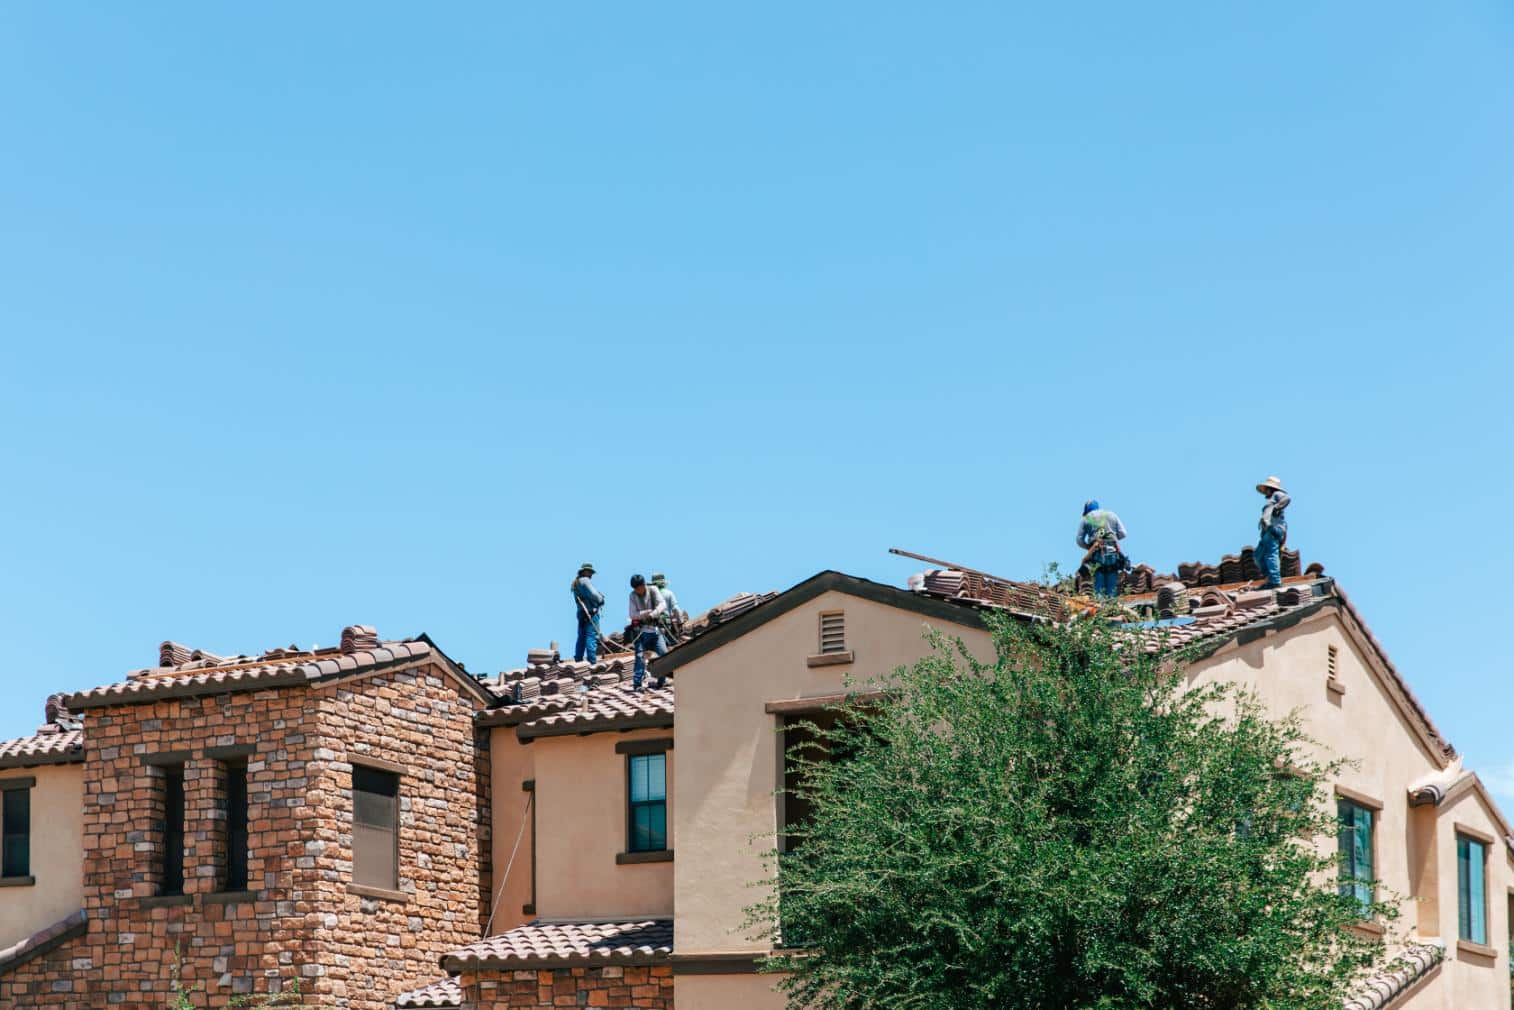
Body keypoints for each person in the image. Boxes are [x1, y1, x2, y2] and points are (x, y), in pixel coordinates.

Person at [1076, 499, 1128, 599]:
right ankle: (1112, 608)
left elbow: (1079, 540)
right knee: (1112, 590)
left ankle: (1100, 609)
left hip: (1096, 555)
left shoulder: (1086, 518)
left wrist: (1089, 547)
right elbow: (1123, 533)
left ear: (1087, 510)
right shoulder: (1111, 514)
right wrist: (1112, 540)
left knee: (1098, 588)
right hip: (1113, 555)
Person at [627, 574, 668, 691]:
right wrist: (646, 613)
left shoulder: (653, 590)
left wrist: (653, 614)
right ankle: (637, 684)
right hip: (641, 632)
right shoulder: (632, 596)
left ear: (644, 585)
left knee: (664, 654)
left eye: (639, 587)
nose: (638, 591)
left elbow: (663, 604)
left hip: (655, 632)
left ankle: (661, 681)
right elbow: (632, 614)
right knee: (640, 657)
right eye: (635, 589)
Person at [1254, 476, 1291, 589]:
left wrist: (1276, 508)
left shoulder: (1276, 495)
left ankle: (1275, 581)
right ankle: (1269, 577)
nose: (1265, 491)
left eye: (1266, 488)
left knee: (1271, 554)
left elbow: (1287, 498)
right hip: (1267, 532)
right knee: (1258, 556)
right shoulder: (1270, 500)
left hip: (1273, 529)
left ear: (1270, 488)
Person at [571, 563, 606, 663]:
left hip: (581, 614)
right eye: (590, 572)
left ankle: (578, 659)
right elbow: (594, 594)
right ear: (585, 571)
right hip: (590, 613)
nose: (591, 574)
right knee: (591, 636)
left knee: (581, 637)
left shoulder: (576, 583)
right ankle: (592, 661)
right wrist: (601, 599)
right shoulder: (585, 580)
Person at [650, 573, 686, 642]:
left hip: (652, 627)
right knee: (673, 643)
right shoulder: (668, 593)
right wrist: (680, 623)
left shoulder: (649, 596)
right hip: (666, 624)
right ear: (663, 583)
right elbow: (676, 609)